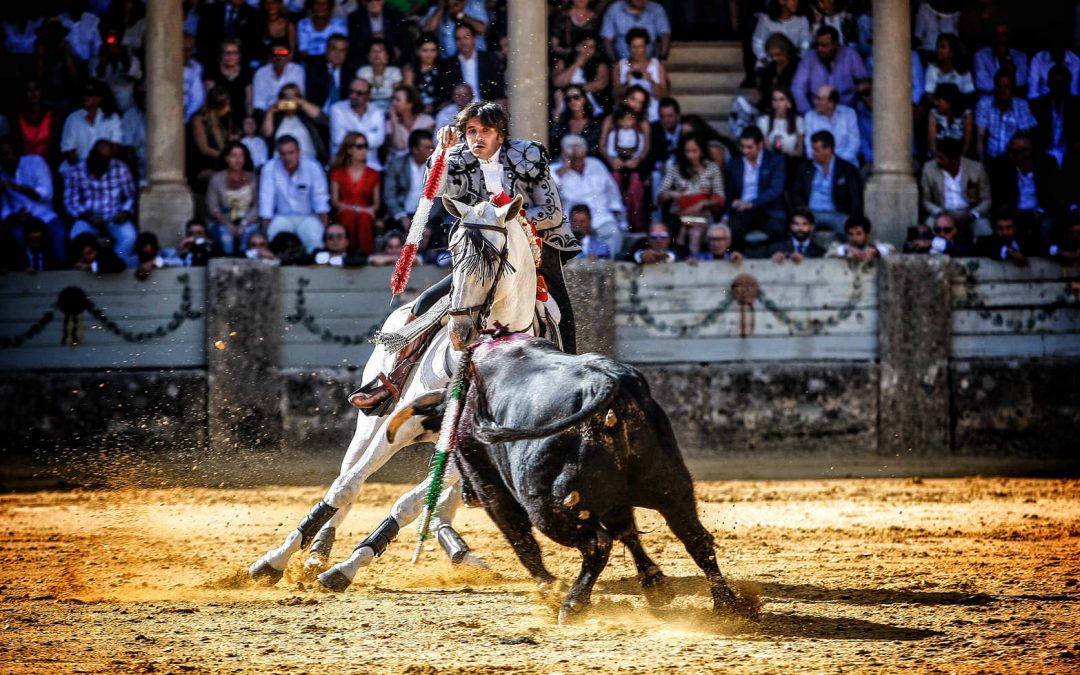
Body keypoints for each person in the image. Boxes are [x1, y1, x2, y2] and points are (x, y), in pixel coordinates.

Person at [64, 139, 138, 267]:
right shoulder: (76, 171)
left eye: (107, 160)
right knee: (76, 236)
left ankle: (113, 264)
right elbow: (71, 202)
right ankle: (88, 269)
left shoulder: (120, 168)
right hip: (88, 218)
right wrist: (88, 216)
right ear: (92, 155)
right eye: (101, 160)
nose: (104, 164)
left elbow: (130, 196)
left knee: (129, 236)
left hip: (115, 217)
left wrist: (125, 212)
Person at [552, 134, 627, 259]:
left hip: (601, 218)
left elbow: (612, 191)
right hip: (573, 221)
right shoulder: (555, 170)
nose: (580, 162)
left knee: (613, 232)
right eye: (575, 158)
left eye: (582, 157)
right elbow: (551, 187)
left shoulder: (596, 165)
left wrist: (620, 216)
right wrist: (567, 166)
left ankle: (607, 264)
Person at [259, 135, 331, 253]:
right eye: (283, 154)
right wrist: (265, 232)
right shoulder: (270, 168)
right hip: (282, 216)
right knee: (275, 237)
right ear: (278, 154)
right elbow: (266, 202)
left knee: (315, 240)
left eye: (291, 153)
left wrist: (325, 230)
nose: (287, 158)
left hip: (308, 217)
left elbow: (320, 201)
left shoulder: (313, 167)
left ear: (299, 152)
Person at [0, 136, 66, 263]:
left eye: (6, 154)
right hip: (20, 219)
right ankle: (25, 273)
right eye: (1, 155)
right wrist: (13, 216)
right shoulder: (1, 171)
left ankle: (58, 272)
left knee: (59, 233)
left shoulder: (36, 163)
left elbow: (46, 194)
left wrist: (16, 187)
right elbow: (4, 206)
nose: (4, 158)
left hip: (44, 215)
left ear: (17, 152)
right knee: (16, 236)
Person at [657, 134, 725, 253]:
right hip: (679, 215)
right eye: (687, 151)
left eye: (694, 151)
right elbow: (660, 194)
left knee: (695, 233)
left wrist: (703, 203)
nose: (690, 155)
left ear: (702, 151)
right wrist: (672, 194)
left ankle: (693, 262)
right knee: (681, 230)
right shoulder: (676, 168)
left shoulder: (712, 168)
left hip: (702, 215)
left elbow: (720, 197)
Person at [989, 132, 1060, 244]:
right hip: (1013, 211)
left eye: (1017, 152)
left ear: (1029, 151)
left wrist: (1040, 211)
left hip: (1040, 210)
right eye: (1010, 150)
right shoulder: (1001, 164)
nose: (1012, 155)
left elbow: (1055, 194)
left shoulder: (1047, 163)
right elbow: (998, 197)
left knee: (1047, 225)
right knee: (1005, 226)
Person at [790, 130, 863, 237]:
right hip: (811, 214)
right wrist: (803, 212)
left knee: (852, 233)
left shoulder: (847, 169)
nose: (812, 153)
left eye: (816, 150)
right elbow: (795, 192)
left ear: (828, 150)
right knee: (799, 229)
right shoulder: (805, 168)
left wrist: (852, 218)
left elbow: (856, 197)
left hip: (837, 214)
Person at [725, 125, 788, 248]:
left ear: (760, 145)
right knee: (732, 231)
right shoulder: (735, 163)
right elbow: (730, 192)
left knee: (778, 231)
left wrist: (752, 203)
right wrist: (726, 215)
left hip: (768, 210)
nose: (745, 151)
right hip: (743, 211)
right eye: (743, 146)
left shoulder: (775, 160)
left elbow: (776, 190)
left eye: (750, 147)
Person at [920, 137, 992, 240]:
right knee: (928, 228)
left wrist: (972, 214)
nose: (937, 160)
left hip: (969, 212)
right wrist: (940, 213)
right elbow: (925, 200)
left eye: (941, 158)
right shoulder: (929, 168)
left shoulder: (976, 168)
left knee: (984, 230)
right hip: (943, 211)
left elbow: (987, 200)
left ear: (954, 160)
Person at [791, 25, 869, 114]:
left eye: (824, 45)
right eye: (817, 45)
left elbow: (864, 84)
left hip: (847, 111)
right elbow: (797, 88)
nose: (819, 49)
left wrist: (857, 111)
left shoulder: (851, 55)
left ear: (836, 44)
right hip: (818, 112)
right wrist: (808, 113)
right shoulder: (809, 58)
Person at [329, 131, 381, 255]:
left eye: (365, 146)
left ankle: (366, 256)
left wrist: (366, 210)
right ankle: (346, 254)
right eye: (359, 147)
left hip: (366, 212)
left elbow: (376, 203)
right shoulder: (337, 173)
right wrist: (353, 208)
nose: (363, 150)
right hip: (344, 210)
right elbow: (335, 201)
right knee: (348, 215)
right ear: (349, 150)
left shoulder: (374, 173)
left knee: (364, 218)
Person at [206, 141, 260, 256]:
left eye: (241, 156)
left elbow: (257, 206)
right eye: (233, 156)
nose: (238, 160)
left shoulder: (253, 178)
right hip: (222, 222)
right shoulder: (216, 179)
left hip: (247, 221)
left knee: (248, 236)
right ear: (226, 159)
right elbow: (213, 208)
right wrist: (228, 225)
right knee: (226, 239)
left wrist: (244, 224)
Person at [602, 105, 649, 233]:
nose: (626, 123)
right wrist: (614, 159)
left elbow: (640, 148)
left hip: (632, 167)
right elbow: (610, 148)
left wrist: (635, 160)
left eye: (630, 119)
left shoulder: (637, 134)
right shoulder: (614, 134)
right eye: (623, 120)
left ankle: (635, 223)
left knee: (634, 191)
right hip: (618, 165)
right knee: (615, 187)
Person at [60, 79, 123, 170]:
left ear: (100, 98)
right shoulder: (72, 118)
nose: (85, 97)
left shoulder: (113, 118)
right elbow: (69, 150)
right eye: (84, 93)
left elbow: (115, 147)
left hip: (105, 170)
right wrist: (83, 171)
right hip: (78, 170)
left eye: (90, 94)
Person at [437, 23, 506, 104]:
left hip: (486, 108)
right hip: (459, 111)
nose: (462, 42)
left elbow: (498, 88)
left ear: (474, 38)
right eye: (458, 39)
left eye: (466, 37)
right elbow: (445, 93)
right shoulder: (449, 64)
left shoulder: (489, 60)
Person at [975, 70, 1036, 162]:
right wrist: (983, 167)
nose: (1002, 90)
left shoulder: (1021, 105)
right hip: (991, 159)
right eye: (999, 86)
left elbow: (1026, 138)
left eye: (1006, 87)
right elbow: (980, 138)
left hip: (1014, 160)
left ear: (1013, 89)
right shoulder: (984, 103)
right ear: (994, 87)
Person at [383, 128, 436, 233]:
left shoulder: (437, 167)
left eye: (432, 147)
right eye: (427, 148)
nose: (432, 151)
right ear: (414, 149)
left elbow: (438, 199)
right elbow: (389, 195)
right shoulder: (396, 165)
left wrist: (423, 219)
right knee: (394, 235)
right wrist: (401, 216)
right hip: (402, 213)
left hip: (428, 215)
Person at [552, 33, 612, 119]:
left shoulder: (600, 64)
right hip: (566, 105)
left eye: (592, 47)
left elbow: (600, 85)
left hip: (593, 108)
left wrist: (573, 91)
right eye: (584, 45)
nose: (588, 50)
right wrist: (577, 64)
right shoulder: (563, 62)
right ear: (577, 46)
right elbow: (557, 82)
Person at [329, 77, 387, 164]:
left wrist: (350, 137)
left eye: (359, 93)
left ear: (368, 96)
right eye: (351, 92)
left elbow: (379, 140)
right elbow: (339, 139)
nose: (353, 96)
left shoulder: (377, 112)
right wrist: (369, 138)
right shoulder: (337, 109)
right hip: (343, 163)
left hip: (371, 163)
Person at [1030, 65, 1080, 166]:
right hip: (1043, 155)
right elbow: (1034, 137)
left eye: (1062, 84)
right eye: (1055, 83)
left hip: (1069, 156)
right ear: (1049, 84)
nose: (1058, 88)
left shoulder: (1076, 106)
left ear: (1068, 85)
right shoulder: (1038, 106)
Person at [613, 27, 667, 123]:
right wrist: (627, 83)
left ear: (646, 46)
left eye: (641, 46)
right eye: (634, 47)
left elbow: (662, 96)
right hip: (626, 120)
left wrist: (651, 80)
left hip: (652, 117)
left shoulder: (657, 65)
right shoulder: (620, 66)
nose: (637, 50)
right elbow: (616, 95)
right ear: (628, 47)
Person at [188, 86, 236, 188]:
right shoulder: (199, 120)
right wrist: (225, 157)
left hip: (220, 166)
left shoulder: (224, 120)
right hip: (202, 168)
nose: (228, 109)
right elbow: (204, 149)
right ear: (216, 106)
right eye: (226, 106)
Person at [802, 84, 860, 165]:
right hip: (820, 165)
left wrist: (838, 163)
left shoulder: (848, 114)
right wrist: (827, 163)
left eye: (819, 99)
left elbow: (854, 143)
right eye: (815, 98)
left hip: (847, 164)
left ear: (831, 102)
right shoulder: (810, 117)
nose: (815, 102)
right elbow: (809, 149)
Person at [204, 38, 253, 128]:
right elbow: (210, 99)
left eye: (234, 53)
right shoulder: (212, 72)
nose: (230, 57)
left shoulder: (246, 72)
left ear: (239, 55)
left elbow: (249, 100)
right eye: (227, 53)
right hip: (218, 117)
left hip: (240, 117)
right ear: (221, 55)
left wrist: (249, 117)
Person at [197, 0, 262, 68]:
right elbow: (202, 40)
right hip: (212, 63)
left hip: (242, 67)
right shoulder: (210, 10)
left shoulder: (253, 15)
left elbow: (254, 45)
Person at [346, 0, 412, 66]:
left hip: (392, 59)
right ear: (364, 2)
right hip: (365, 60)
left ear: (383, 1)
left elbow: (406, 42)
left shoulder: (396, 16)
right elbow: (353, 46)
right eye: (369, 0)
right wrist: (373, 39)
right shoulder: (354, 18)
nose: (374, 2)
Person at [752, 0, 812, 71]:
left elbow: (806, 43)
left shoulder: (802, 20)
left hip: (793, 63)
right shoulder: (766, 19)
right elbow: (758, 43)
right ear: (782, 1)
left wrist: (798, 59)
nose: (796, 2)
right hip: (770, 62)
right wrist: (766, 59)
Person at [973, 22, 1028, 96]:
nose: (1000, 38)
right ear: (992, 37)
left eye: (1004, 34)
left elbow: (1021, 81)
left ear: (1009, 37)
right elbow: (981, 83)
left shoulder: (1020, 56)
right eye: (997, 35)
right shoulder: (981, 55)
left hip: (1013, 98)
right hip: (989, 98)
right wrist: (1008, 84)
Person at [421, 0, 490, 59]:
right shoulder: (436, 9)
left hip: (476, 59)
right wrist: (441, 8)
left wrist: (460, 15)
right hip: (447, 62)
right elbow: (427, 32)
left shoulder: (475, 5)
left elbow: (483, 29)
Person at [253, 42, 307, 115]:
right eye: (275, 53)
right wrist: (271, 111)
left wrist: (277, 107)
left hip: (292, 112)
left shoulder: (297, 71)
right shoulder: (261, 73)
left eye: (283, 53)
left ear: (289, 55)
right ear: (270, 56)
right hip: (267, 114)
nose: (279, 57)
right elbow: (258, 103)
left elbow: (299, 99)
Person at [305, 33, 354, 112]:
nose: (337, 54)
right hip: (317, 114)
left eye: (342, 51)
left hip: (342, 116)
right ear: (326, 49)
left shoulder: (350, 70)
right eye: (334, 49)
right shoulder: (314, 66)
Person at [551, 85, 604, 159]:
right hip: (564, 163)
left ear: (584, 99)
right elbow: (553, 141)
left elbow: (593, 149)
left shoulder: (594, 124)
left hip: (588, 164)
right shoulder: (562, 122)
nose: (572, 101)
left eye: (576, 97)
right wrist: (558, 110)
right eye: (568, 99)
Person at [385, 85, 436, 160]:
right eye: (393, 99)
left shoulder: (427, 121)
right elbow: (399, 146)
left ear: (409, 104)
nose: (393, 103)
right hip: (397, 165)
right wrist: (394, 120)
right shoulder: (390, 123)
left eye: (397, 100)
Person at [357, 38, 404, 114]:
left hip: (391, 111)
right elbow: (361, 96)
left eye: (381, 51)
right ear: (368, 56)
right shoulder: (363, 71)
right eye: (373, 51)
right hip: (368, 112)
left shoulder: (394, 71)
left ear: (387, 56)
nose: (377, 54)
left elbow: (397, 96)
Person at [756, 86, 804, 160]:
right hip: (771, 161)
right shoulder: (763, 121)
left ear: (788, 102)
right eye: (774, 100)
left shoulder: (798, 120)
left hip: (792, 161)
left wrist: (785, 154)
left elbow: (800, 152)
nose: (777, 103)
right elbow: (765, 149)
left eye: (781, 99)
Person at [927, 83, 972, 159]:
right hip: (937, 157)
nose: (936, 103)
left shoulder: (966, 114)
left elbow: (967, 144)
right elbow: (932, 143)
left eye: (939, 101)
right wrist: (938, 159)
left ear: (949, 102)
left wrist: (957, 162)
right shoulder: (933, 113)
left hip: (959, 158)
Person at [403, 33, 445, 114]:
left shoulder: (443, 68)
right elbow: (409, 94)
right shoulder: (410, 69)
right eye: (424, 50)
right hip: (417, 109)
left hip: (441, 109)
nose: (429, 55)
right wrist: (421, 106)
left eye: (432, 50)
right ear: (418, 51)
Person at [924, 33, 974, 98]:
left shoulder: (963, 71)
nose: (939, 50)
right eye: (938, 46)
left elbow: (969, 94)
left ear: (952, 52)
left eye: (943, 47)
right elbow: (929, 93)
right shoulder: (932, 69)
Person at [825, 215, 893, 262]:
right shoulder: (841, 248)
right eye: (850, 234)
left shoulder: (874, 246)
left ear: (867, 235)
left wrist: (875, 252)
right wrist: (847, 251)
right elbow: (827, 256)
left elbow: (890, 250)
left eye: (858, 234)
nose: (854, 238)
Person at [904, 212, 973, 256]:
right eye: (938, 230)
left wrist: (933, 243)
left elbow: (965, 251)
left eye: (947, 230)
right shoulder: (928, 237)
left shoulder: (963, 241)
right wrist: (922, 235)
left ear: (955, 230)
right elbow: (907, 248)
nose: (942, 233)